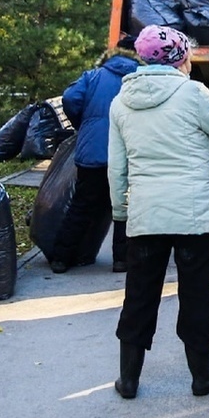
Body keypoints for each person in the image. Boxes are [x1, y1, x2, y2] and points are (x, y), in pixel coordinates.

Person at [107, 25, 209, 399]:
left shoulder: (121, 100)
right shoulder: (192, 94)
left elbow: (117, 168)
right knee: (196, 294)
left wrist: (121, 214)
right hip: (193, 216)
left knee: (139, 295)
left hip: (145, 214)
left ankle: (128, 380)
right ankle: (201, 377)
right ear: (179, 59)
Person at [47, 35, 141, 274]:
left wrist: (83, 122)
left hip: (92, 151)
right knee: (124, 206)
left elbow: (69, 98)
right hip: (127, 150)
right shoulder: (140, 77)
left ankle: (61, 258)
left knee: (81, 205)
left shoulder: (94, 75)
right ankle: (122, 260)